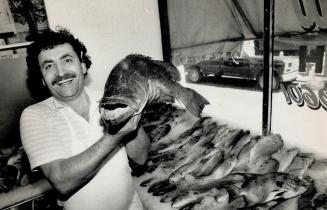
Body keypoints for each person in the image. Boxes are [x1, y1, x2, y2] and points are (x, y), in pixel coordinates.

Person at [20, 28, 150, 210]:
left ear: (82, 65)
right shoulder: (35, 115)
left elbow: (141, 157)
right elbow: (62, 183)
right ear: (42, 78)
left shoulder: (110, 98)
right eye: (49, 66)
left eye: (67, 60)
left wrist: (133, 118)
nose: (60, 72)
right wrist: (114, 137)